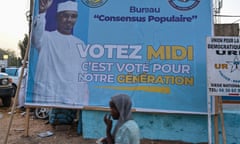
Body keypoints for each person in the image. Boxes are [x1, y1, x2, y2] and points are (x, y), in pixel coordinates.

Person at [31, 0, 89, 105]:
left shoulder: (79, 43)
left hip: (71, 97)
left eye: (73, 16)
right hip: (48, 95)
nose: (69, 20)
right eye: (65, 16)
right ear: (57, 17)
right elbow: (36, 36)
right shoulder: (46, 38)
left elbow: (82, 75)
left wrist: (84, 101)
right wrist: (42, 12)